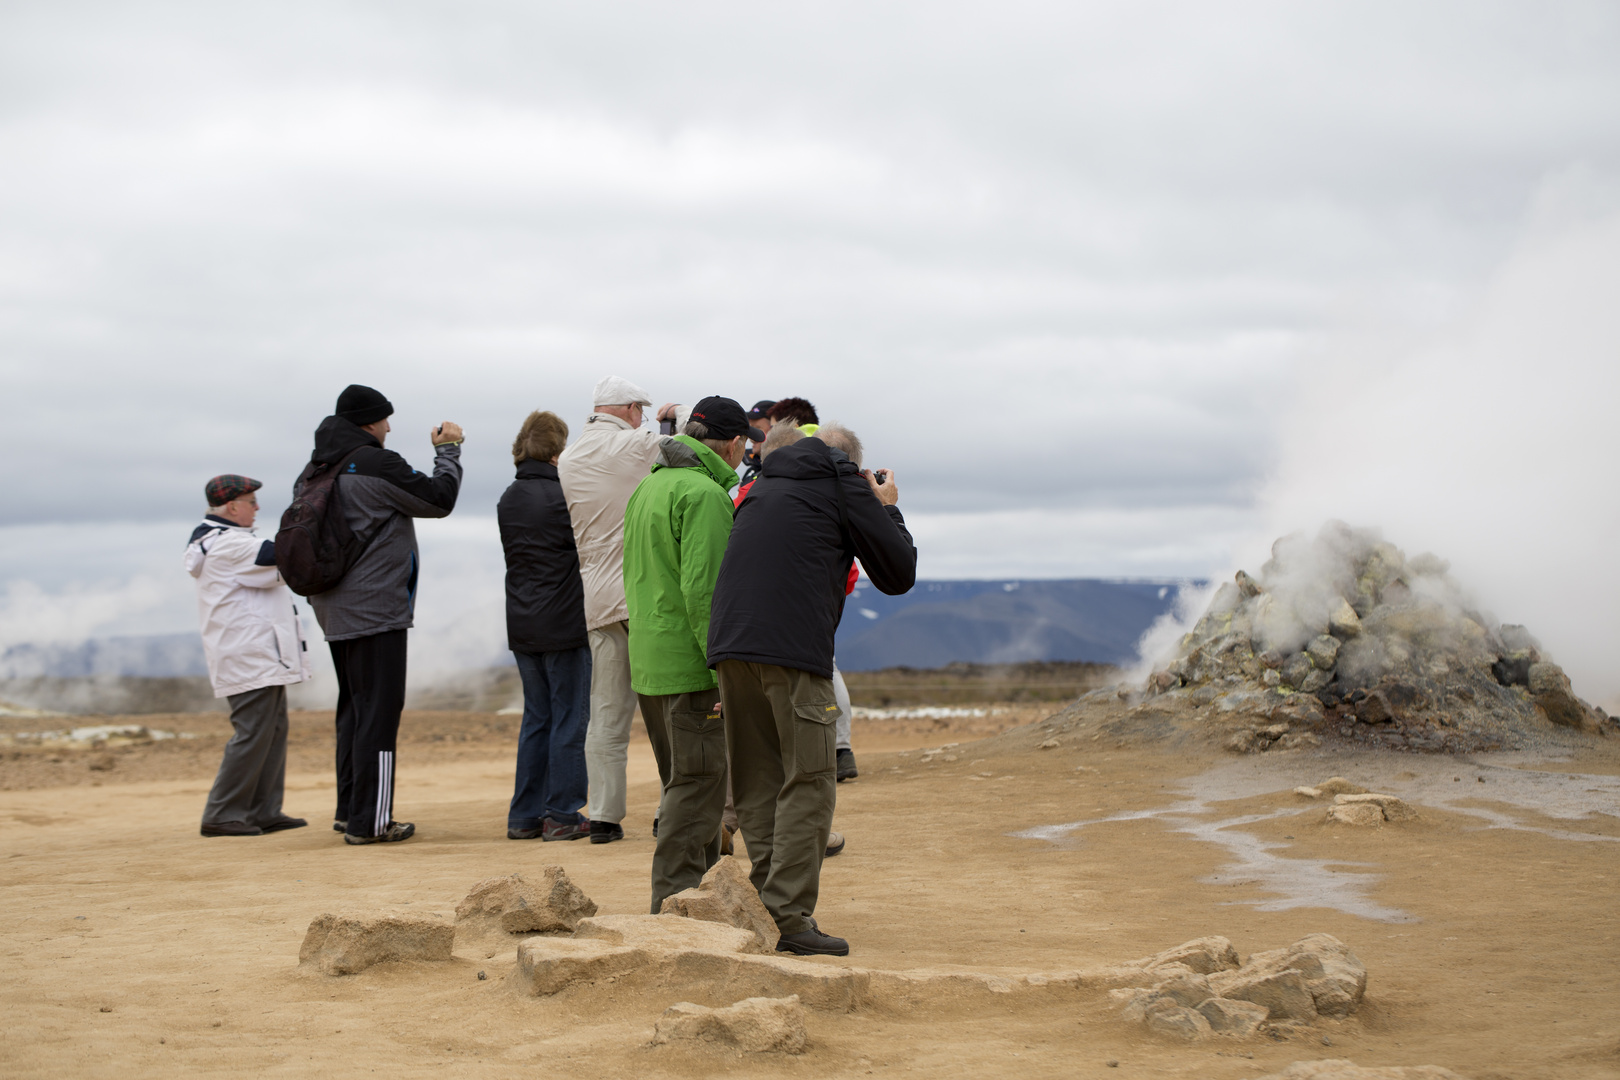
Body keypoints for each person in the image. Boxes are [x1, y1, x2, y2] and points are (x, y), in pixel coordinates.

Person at [709, 423, 916, 956]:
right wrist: (885, 505)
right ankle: (788, 917)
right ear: (850, 463)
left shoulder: (762, 487)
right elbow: (898, 571)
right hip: (793, 652)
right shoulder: (841, 481)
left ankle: (765, 901)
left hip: (731, 646)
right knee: (811, 779)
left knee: (757, 781)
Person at [303, 384, 463, 845]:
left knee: (355, 707)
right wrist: (448, 450)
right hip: (376, 608)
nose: (389, 428)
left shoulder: (317, 467)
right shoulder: (375, 462)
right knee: (380, 711)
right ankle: (371, 822)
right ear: (368, 423)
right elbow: (439, 499)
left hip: (332, 606)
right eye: (384, 420)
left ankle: (349, 809)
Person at [622, 395, 759, 913]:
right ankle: (674, 901)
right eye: (743, 445)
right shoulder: (703, 495)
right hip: (691, 666)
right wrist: (724, 669)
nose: (742, 456)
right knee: (697, 785)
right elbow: (707, 594)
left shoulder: (649, 486)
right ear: (729, 442)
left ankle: (698, 894)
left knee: (686, 786)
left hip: (652, 662)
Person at [556, 376, 685, 844]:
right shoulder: (634, 446)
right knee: (669, 711)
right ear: (631, 409)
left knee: (606, 714)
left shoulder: (569, 458)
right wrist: (672, 418)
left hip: (598, 600)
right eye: (643, 411)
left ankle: (605, 817)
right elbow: (680, 447)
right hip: (645, 596)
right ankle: (669, 810)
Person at [185, 474, 312, 837]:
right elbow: (282, 554)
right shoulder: (228, 544)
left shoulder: (221, 541)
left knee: (271, 729)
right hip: (249, 654)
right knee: (254, 731)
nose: (257, 508)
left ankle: (261, 810)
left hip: (258, 654)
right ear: (232, 507)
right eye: (252, 502)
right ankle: (223, 813)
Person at [498, 411, 591, 842]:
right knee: (570, 718)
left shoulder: (508, 498)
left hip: (522, 622)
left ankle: (525, 815)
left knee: (537, 717)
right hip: (565, 620)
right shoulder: (565, 497)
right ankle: (563, 814)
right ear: (557, 451)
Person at [736, 400, 776, 487]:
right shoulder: (750, 472)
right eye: (751, 430)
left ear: (776, 430)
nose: (752, 437)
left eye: (758, 429)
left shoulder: (782, 471)